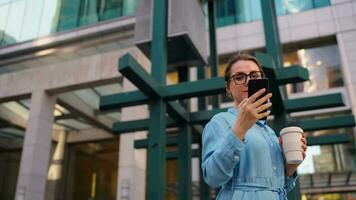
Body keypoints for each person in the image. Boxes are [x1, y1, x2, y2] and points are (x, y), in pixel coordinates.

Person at [201, 53, 307, 200]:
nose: (248, 81)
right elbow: (213, 177)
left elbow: (277, 187)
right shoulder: (219, 122)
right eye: (239, 77)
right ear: (228, 88)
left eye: (255, 76)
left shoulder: (268, 131)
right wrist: (240, 129)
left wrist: (290, 168)